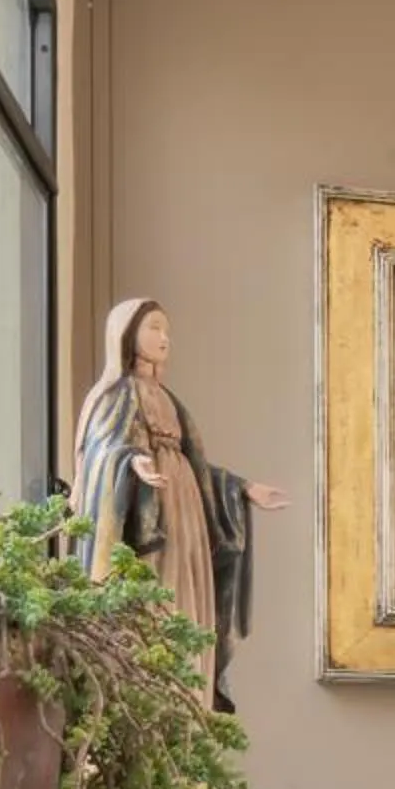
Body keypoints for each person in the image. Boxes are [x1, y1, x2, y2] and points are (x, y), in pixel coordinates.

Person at [71, 298, 286, 711]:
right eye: (154, 327)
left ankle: (189, 702)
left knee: (188, 607)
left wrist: (241, 489)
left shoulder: (168, 398)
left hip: (185, 510)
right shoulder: (114, 394)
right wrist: (130, 461)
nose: (164, 338)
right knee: (158, 602)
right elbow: (101, 451)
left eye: (166, 330)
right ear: (127, 332)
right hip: (151, 519)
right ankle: (152, 701)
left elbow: (195, 466)